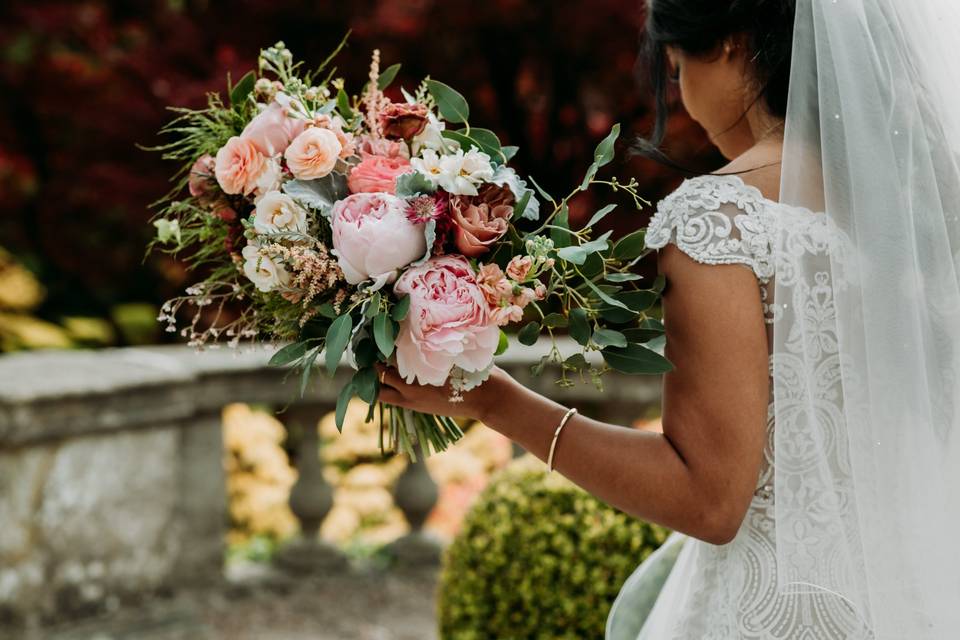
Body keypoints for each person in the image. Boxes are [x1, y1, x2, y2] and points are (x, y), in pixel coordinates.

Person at [378, 0, 960, 637]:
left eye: (678, 67)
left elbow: (708, 498)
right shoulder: (919, 212)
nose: (679, 96)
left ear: (733, 43)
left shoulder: (721, 218)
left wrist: (496, 404)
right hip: (918, 596)